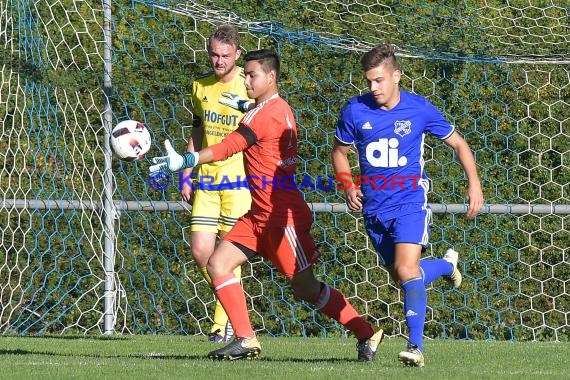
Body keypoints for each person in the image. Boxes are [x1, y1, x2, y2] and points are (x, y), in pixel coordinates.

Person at [150, 49, 384, 361]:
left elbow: (227, 147)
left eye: (252, 75)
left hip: (281, 217)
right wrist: (248, 106)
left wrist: (188, 159)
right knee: (218, 264)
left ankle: (366, 333)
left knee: (306, 288)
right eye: (245, 74)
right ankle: (246, 339)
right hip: (258, 214)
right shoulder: (280, 107)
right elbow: (266, 122)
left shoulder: (262, 115)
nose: (246, 80)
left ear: (270, 77)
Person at [331, 43, 484, 368]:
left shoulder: (419, 109)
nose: (373, 87)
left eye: (379, 80)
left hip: (410, 202)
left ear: (397, 76)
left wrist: (474, 183)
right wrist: (347, 184)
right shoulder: (355, 110)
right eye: (369, 81)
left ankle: (415, 347)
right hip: (374, 210)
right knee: (403, 276)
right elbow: (339, 153)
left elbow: (458, 143)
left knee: (406, 270)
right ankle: (446, 266)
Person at [181, 24, 252, 343]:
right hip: (207, 182)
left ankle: (222, 323)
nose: (218, 61)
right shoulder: (200, 86)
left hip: (238, 183)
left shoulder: (248, 88)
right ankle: (230, 307)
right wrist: (185, 171)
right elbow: (197, 130)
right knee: (201, 253)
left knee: (226, 255)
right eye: (213, 54)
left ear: (237, 54)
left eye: (225, 55)